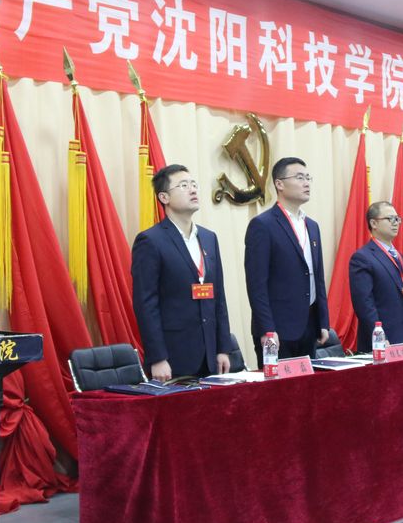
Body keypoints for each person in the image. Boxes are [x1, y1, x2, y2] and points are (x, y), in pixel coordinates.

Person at [131, 164, 232, 381]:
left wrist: (223, 348)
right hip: (173, 356)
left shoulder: (209, 238)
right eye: (183, 185)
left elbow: (219, 298)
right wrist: (158, 357)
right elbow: (145, 304)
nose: (193, 189)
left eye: (193, 184)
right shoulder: (150, 241)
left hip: (210, 355)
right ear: (164, 197)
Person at [244, 157, 329, 362]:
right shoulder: (263, 225)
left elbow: (318, 277)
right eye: (300, 178)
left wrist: (323, 321)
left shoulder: (312, 226)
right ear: (279, 184)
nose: (306, 183)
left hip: (309, 325)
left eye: (308, 178)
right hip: (277, 329)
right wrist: (267, 328)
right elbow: (256, 284)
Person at [350, 201, 403, 352]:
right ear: (374, 223)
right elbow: (364, 303)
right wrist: (379, 337)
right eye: (390, 219)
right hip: (384, 339)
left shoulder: (397, 255)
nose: (396, 223)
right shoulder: (363, 258)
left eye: (397, 219)